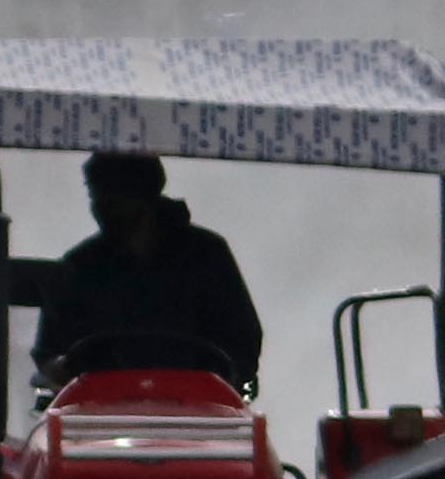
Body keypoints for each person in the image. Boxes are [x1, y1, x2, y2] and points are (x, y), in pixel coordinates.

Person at [17, 148, 266, 390]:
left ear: (143, 197)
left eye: (113, 199)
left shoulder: (207, 256)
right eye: (96, 197)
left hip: (197, 408)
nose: (100, 207)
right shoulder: (80, 266)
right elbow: (50, 351)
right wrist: (58, 368)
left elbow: (243, 343)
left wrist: (217, 376)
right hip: (99, 411)